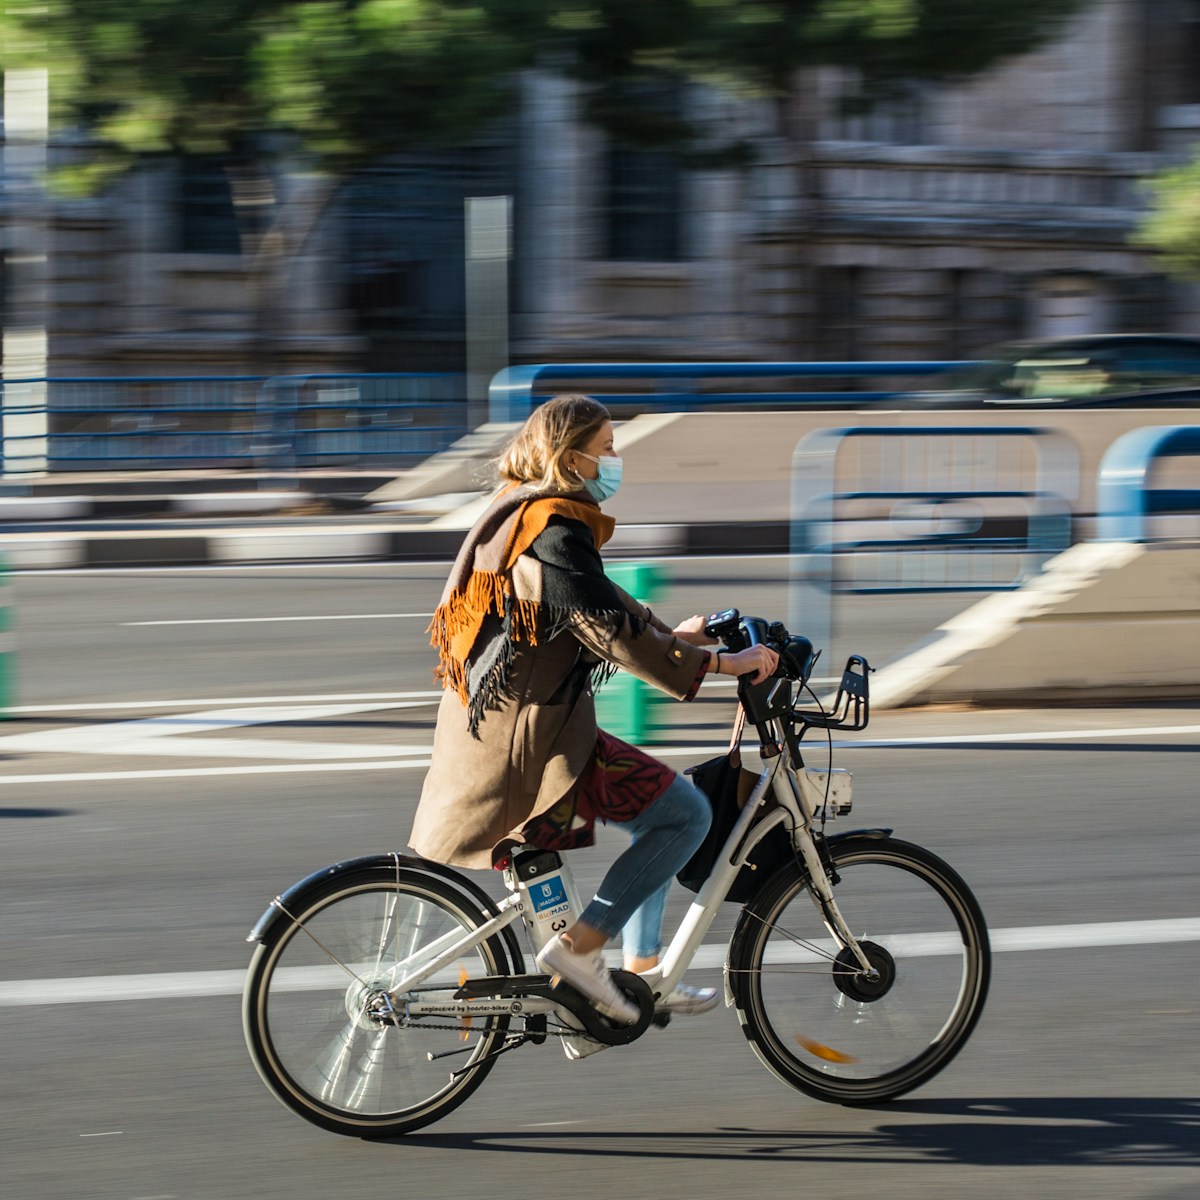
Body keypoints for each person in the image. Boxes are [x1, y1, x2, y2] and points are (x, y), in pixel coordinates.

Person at [409, 394, 778, 1031]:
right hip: (529, 741)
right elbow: (605, 628)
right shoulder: (554, 526)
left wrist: (677, 637)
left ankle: (643, 970)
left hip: (516, 725)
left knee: (661, 812)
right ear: (571, 455)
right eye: (606, 447)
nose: (614, 459)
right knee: (687, 815)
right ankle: (581, 950)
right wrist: (722, 666)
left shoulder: (524, 508)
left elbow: (598, 600)